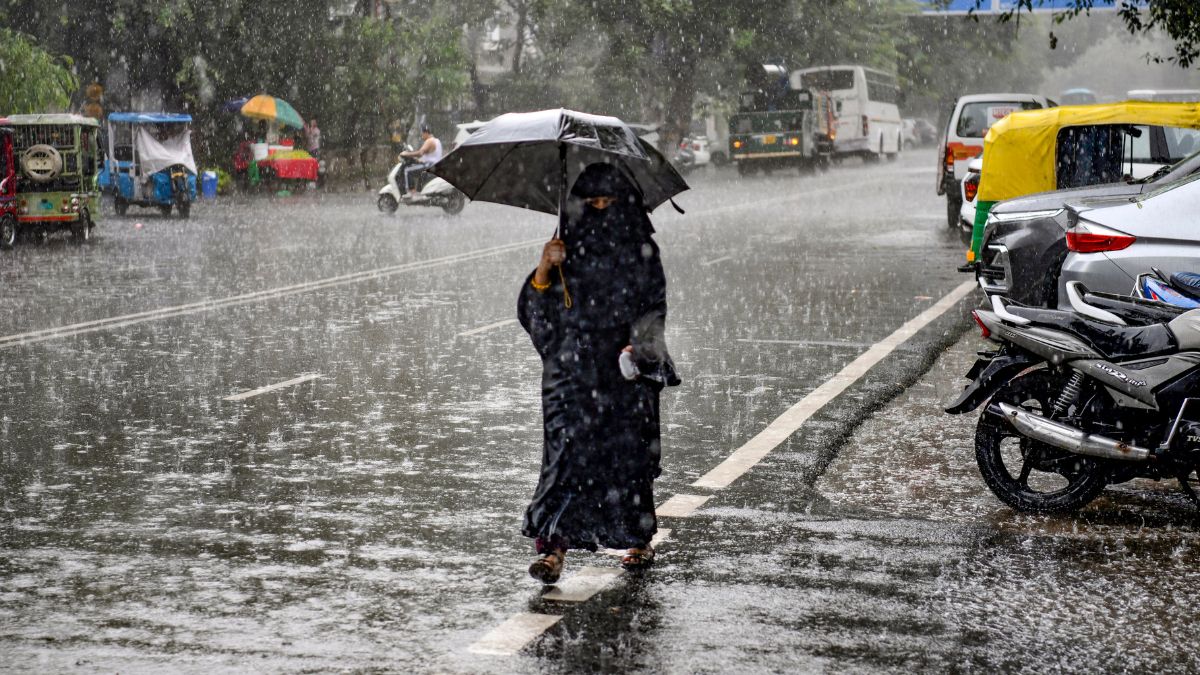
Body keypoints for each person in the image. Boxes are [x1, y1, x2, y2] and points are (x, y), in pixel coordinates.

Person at [518, 162, 680, 584]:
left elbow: (652, 306)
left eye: (609, 202)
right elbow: (540, 313)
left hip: (623, 371)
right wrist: (543, 269)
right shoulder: (565, 248)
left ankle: (637, 538)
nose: (601, 209)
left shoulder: (640, 249)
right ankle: (552, 548)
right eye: (592, 203)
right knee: (566, 457)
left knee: (626, 458)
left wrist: (640, 348)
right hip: (571, 372)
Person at [398, 125, 443, 198]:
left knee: (407, 170)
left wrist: (406, 154)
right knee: (417, 170)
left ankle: (411, 193)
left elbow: (420, 153)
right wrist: (417, 160)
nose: (421, 136)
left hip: (430, 165)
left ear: (426, 133)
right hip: (435, 165)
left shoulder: (429, 141)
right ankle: (419, 192)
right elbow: (430, 155)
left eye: (422, 134)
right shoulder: (437, 141)